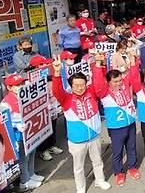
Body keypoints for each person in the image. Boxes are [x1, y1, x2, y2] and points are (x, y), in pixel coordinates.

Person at [52, 57, 111, 193]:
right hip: (77, 140)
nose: (80, 88)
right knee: (78, 167)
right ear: (71, 87)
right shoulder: (67, 99)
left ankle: (100, 180)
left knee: (97, 161)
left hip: (94, 135)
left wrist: (97, 64)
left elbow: (99, 83)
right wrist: (56, 73)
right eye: (76, 86)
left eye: (82, 85)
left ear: (86, 84)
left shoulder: (91, 93)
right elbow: (57, 91)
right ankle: (80, 188)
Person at [91, 51, 141, 186]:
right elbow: (97, 81)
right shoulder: (104, 92)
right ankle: (119, 172)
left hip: (130, 123)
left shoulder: (124, 85)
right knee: (117, 152)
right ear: (108, 82)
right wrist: (97, 64)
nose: (119, 83)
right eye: (115, 81)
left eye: (120, 80)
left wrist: (132, 61)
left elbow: (133, 74)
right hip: (116, 127)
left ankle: (132, 167)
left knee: (131, 147)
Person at [0, 74, 43, 190]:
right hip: (18, 135)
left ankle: (31, 174)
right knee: (23, 158)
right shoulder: (6, 103)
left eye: (22, 83)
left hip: (31, 131)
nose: (21, 86)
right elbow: (3, 121)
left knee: (32, 153)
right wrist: (16, 125)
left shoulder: (26, 95)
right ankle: (25, 181)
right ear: (9, 87)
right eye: (17, 85)